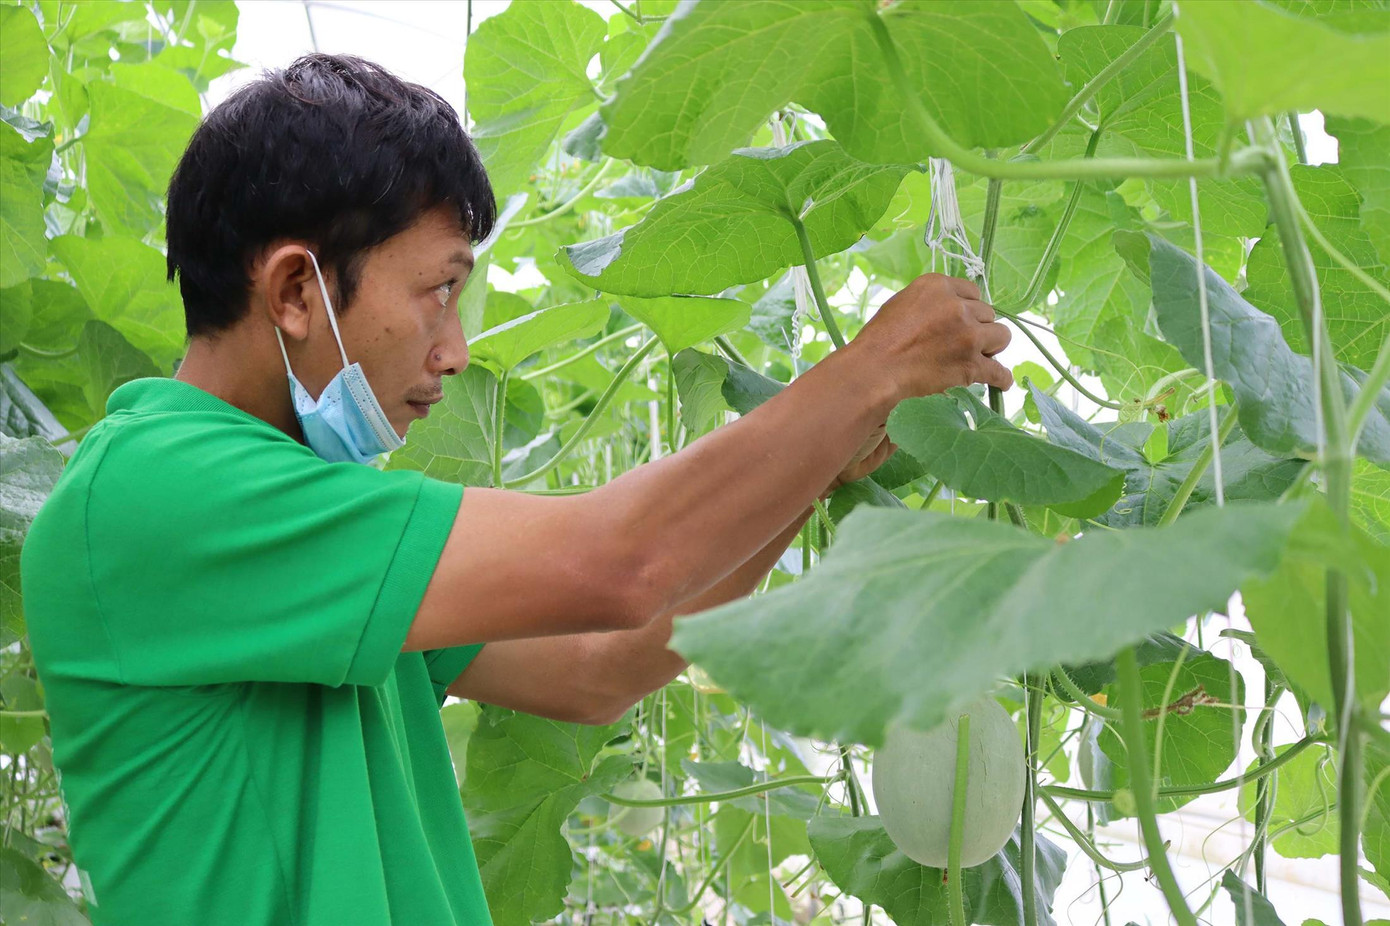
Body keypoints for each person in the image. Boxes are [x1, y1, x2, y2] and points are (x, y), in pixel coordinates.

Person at [19, 53, 1012, 925]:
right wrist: (866, 368)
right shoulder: (153, 493)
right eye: (436, 291)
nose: (452, 351)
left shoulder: (310, 513)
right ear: (293, 291)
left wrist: (814, 469)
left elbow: (600, 663)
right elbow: (620, 561)